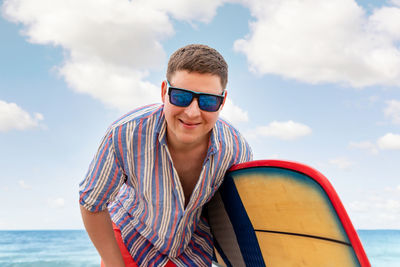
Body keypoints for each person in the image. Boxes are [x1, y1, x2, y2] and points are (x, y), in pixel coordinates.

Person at [79, 44, 253, 267]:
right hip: (130, 232)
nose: (192, 112)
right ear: (164, 92)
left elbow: (238, 219)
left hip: (191, 246)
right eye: (181, 97)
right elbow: (91, 204)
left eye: (208, 101)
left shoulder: (236, 150)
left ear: (222, 102)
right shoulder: (124, 134)